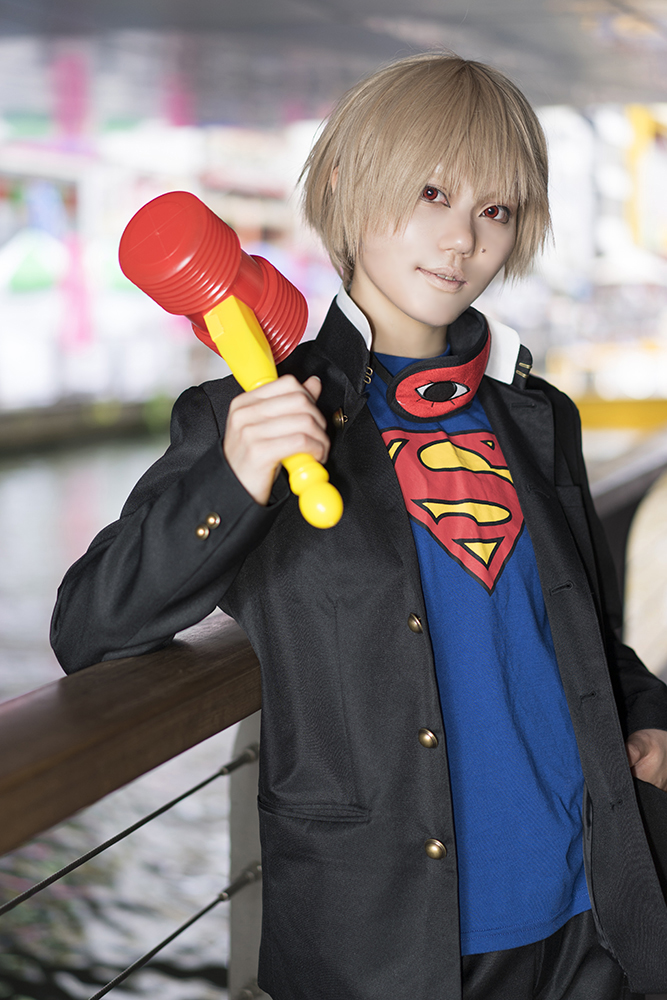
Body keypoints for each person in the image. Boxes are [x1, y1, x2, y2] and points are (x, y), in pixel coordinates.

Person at [51, 54, 667, 1000]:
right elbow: (88, 626)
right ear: (344, 181)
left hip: (590, 920)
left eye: (495, 210)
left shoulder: (537, 418)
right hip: (383, 942)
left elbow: (577, 635)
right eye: (432, 193)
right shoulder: (253, 414)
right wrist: (236, 474)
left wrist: (648, 712)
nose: (460, 239)